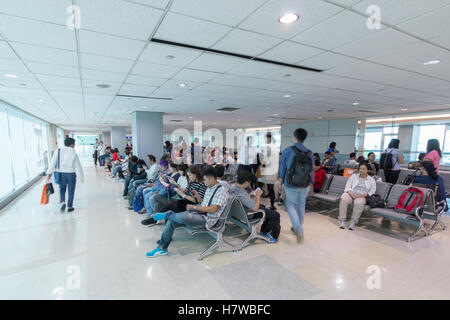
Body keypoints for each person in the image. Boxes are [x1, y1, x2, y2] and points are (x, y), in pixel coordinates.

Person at [146, 167, 229, 258]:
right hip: (200, 214)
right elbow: (204, 203)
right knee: (172, 222)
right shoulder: (210, 188)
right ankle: (162, 248)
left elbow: (213, 209)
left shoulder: (221, 191)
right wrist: (198, 197)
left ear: (211, 178)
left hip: (208, 219)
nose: (204, 182)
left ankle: (168, 214)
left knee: (183, 216)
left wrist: (194, 207)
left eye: (205, 180)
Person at [278, 128, 314, 243]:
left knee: (290, 205)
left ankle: (298, 228)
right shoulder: (309, 152)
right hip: (305, 183)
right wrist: (311, 185)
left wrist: (280, 181)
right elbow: (312, 170)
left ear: (294, 137)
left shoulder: (288, 150)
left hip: (291, 183)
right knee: (301, 206)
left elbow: (283, 167)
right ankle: (297, 227)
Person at [229, 171, 281, 242]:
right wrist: (258, 196)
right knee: (275, 215)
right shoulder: (242, 193)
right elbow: (255, 208)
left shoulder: (233, 187)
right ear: (246, 182)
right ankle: (270, 235)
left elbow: (242, 197)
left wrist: (249, 195)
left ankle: (265, 230)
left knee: (263, 207)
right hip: (249, 214)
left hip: (239, 212)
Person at [46, 137, 84, 212]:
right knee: (71, 190)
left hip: (61, 173)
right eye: (74, 144)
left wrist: (49, 173)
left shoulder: (58, 151)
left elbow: (53, 162)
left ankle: (63, 202)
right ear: (72, 144)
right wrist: (81, 177)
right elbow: (78, 166)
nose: (75, 145)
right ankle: (70, 207)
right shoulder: (74, 153)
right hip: (71, 174)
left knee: (62, 189)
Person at [338, 163, 376, 230]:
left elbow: (372, 191)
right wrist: (351, 193)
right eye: (360, 168)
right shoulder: (354, 176)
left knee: (359, 203)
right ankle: (342, 220)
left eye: (363, 169)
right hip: (352, 193)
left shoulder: (371, 180)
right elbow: (347, 186)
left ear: (367, 170)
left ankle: (353, 222)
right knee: (344, 200)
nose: (361, 170)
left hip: (362, 196)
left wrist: (363, 195)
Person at [257, 133, 279, 210]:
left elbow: (265, 159)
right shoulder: (274, 147)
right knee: (270, 187)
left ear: (268, 139)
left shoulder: (268, 147)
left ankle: (271, 205)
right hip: (274, 170)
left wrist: (261, 164)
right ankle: (272, 204)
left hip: (269, 170)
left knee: (268, 187)